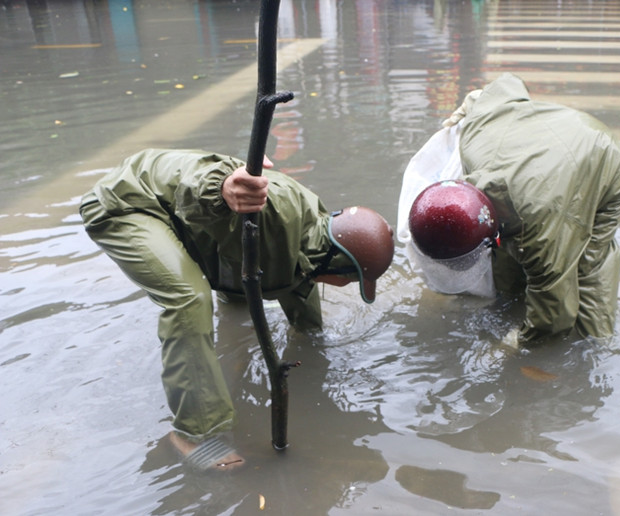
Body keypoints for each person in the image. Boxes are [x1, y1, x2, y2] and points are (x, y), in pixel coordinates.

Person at [80, 148, 394, 471]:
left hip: (178, 212)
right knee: (189, 298)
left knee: (244, 282)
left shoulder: (313, 242)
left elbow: (299, 284)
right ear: (341, 268)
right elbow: (198, 183)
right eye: (351, 282)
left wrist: (310, 341)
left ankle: (219, 344)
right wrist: (222, 189)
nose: (346, 288)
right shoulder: (278, 216)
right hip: (127, 204)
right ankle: (194, 433)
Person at [398, 73, 620, 344]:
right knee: (513, 250)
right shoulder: (473, 139)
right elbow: (506, 84)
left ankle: (596, 343)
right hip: (554, 146)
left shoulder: (539, 229)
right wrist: (474, 101)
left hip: (605, 158)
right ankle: (515, 295)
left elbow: (554, 313)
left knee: (585, 267)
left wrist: (519, 343)